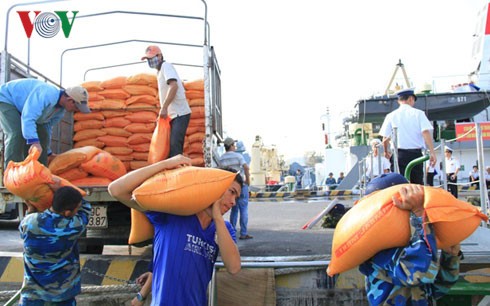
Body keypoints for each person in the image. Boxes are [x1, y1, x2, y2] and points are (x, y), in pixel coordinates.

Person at [108, 155, 242, 305]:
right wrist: (165, 164)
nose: (233, 202)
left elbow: (234, 267)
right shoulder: (171, 215)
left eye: (237, 197)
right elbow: (116, 190)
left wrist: (217, 219)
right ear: (217, 185)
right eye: (232, 192)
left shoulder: (224, 228)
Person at [359, 173, 461, 306]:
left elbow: (437, 289)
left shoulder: (413, 244)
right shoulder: (377, 252)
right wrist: (420, 215)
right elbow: (420, 274)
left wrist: (450, 258)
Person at [19, 184, 91, 306]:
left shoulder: (29, 222)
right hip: (63, 297)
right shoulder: (74, 226)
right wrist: (64, 186)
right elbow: (86, 208)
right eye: (76, 209)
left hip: (31, 296)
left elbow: (24, 232)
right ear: (67, 213)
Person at [0, 79, 90, 168]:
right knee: (17, 132)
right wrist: (34, 141)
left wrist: (47, 151)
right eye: (77, 107)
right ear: (70, 100)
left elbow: (46, 127)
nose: (77, 110)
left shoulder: (60, 112)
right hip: (7, 99)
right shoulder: (47, 94)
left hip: (24, 108)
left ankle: (39, 171)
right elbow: (28, 117)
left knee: (42, 133)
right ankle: (11, 173)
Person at [141, 45, 191, 157]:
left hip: (180, 113)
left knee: (175, 149)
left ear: (159, 56)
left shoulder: (166, 66)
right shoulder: (159, 72)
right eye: (148, 59)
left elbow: (174, 86)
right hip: (173, 115)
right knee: (169, 149)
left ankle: (178, 172)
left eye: (151, 58)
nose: (150, 61)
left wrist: (164, 108)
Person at [379, 88, 436, 184]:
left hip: (399, 155)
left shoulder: (391, 116)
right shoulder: (419, 114)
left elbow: (385, 138)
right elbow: (425, 132)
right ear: (410, 99)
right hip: (416, 155)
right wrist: (432, 152)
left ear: (399, 101)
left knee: (399, 184)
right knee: (416, 184)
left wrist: (386, 151)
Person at [219, 137, 253, 240]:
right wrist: (247, 180)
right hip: (241, 185)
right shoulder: (238, 156)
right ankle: (243, 233)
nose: (235, 146)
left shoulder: (222, 158)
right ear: (231, 146)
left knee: (234, 209)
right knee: (243, 209)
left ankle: (232, 231)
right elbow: (246, 167)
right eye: (234, 145)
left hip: (230, 186)